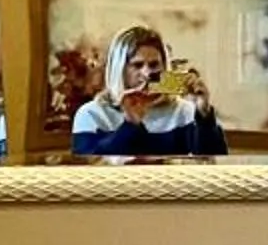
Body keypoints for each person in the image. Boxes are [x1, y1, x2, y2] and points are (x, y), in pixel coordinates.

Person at [68, 25, 230, 159]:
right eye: (137, 65)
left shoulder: (184, 112)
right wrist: (130, 125)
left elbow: (211, 163)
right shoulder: (91, 114)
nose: (146, 74)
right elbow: (90, 172)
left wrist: (204, 115)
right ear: (120, 70)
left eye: (154, 65)